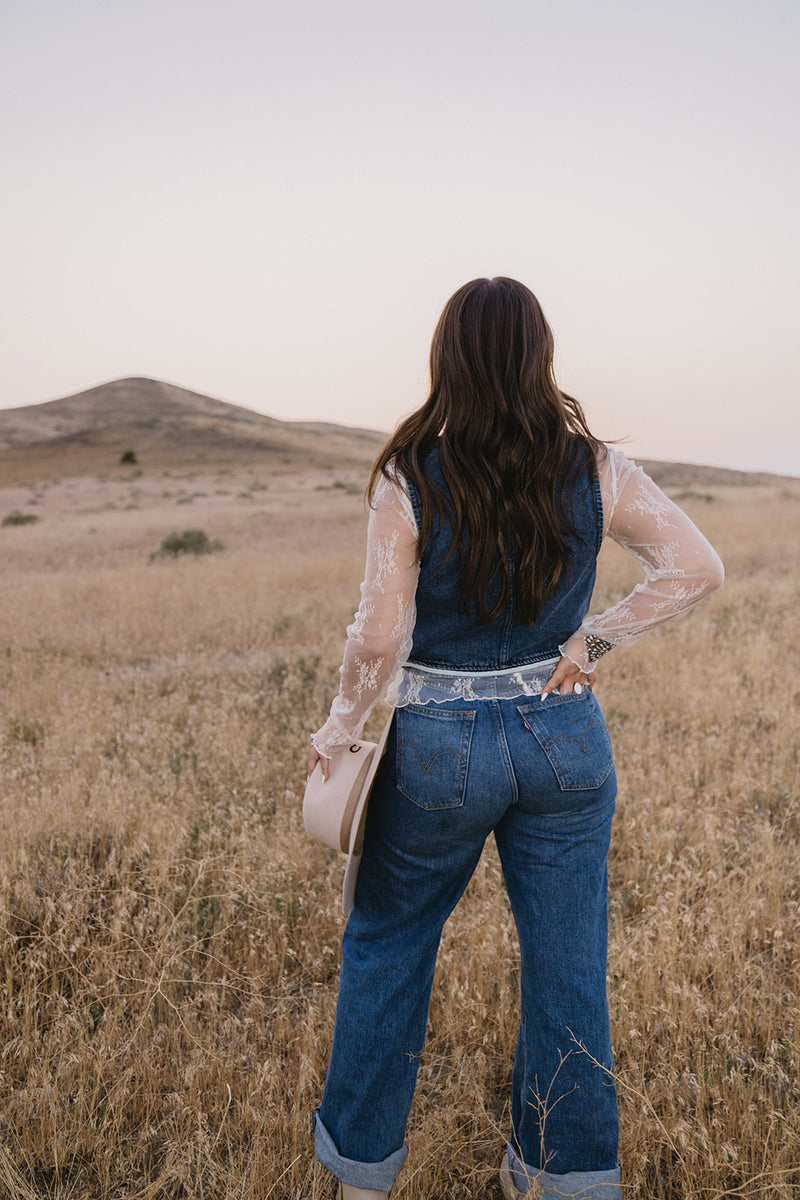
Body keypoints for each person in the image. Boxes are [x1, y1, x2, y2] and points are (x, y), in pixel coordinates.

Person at [307, 277, 724, 1200]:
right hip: (565, 737)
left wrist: (340, 727)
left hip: (438, 744)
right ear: (541, 354)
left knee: (390, 944)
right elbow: (697, 567)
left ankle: (361, 1178)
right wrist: (592, 642)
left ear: (445, 355)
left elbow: (378, 636)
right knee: (568, 959)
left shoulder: (410, 473)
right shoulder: (597, 468)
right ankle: (566, 1178)